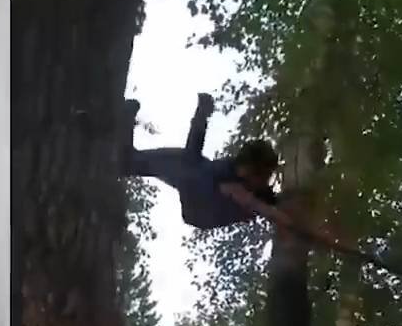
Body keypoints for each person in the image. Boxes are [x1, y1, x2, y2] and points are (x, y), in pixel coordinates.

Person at [122, 94, 342, 247]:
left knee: (190, 166)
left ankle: (129, 159)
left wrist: (322, 233)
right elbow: (192, 156)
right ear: (248, 170)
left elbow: (272, 210)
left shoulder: (246, 189)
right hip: (199, 188)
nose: (266, 181)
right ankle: (130, 159)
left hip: (200, 208)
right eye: (264, 176)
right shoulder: (230, 177)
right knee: (186, 163)